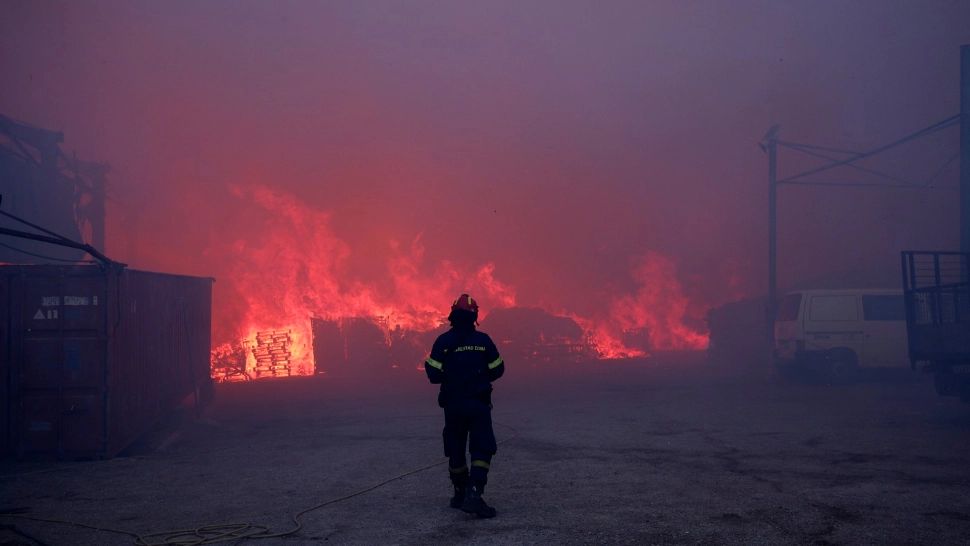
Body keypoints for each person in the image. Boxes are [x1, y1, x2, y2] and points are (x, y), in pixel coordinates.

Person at [424, 293, 506, 518]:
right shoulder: (483, 341)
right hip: (478, 404)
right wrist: (480, 377)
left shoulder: (443, 341)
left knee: (455, 448)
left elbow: (432, 374)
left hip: (454, 404)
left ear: (453, 314)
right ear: (474, 316)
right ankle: (474, 495)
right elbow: (499, 368)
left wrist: (451, 377)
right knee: (482, 448)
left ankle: (460, 493)